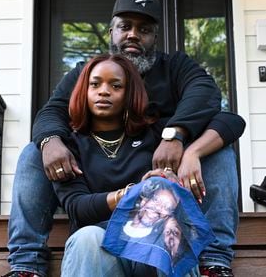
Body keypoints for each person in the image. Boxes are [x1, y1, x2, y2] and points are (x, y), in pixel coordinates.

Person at [6, 0, 245, 276]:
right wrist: (51, 141)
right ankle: (26, 264)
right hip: (98, 223)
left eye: (143, 29)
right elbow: (52, 113)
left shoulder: (173, 72)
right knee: (36, 151)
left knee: (216, 147)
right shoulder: (85, 77)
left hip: (158, 205)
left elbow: (217, 107)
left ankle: (213, 261)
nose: (133, 34)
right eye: (125, 26)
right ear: (111, 31)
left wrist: (180, 141)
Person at [52, 53, 227, 276]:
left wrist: (190, 150)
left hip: (153, 240)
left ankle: (214, 259)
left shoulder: (154, 133)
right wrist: (135, 193)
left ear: (129, 94)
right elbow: (78, 208)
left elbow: (230, 121)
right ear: (83, 91)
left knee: (170, 233)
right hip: (100, 244)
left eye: (116, 86)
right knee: (86, 237)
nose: (104, 91)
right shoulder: (69, 147)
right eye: (95, 84)